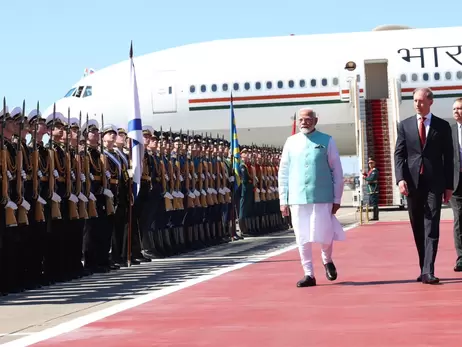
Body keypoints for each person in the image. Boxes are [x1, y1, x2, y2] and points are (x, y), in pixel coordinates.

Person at [278, 107, 344, 287]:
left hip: (322, 196)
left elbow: (337, 170)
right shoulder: (291, 142)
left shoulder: (327, 141)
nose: (304, 122)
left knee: (324, 233)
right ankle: (309, 274)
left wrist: (337, 198)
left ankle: (327, 259)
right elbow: (283, 172)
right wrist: (283, 199)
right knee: (302, 237)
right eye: (301, 119)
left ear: (315, 120)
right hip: (297, 197)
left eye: (307, 119)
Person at [394, 87, 453, 285]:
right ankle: (423, 267)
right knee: (417, 226)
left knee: (431, 225)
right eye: (415, 101)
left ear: (430, 102)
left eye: (421, 101)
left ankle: (429, 270)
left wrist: (449, 186)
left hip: (434, 183)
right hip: (412, 183)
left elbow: (448, 158)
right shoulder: (405, 125)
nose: (417, 104)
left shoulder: (443, 126)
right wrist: (400, 179)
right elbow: (399, 155)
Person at [449, 97, 462, 272]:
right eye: (454, 109)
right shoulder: (449, 131)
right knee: (459, 219)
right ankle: (461, 257)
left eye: (459, 108)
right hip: (456, 182)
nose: (456, 111)